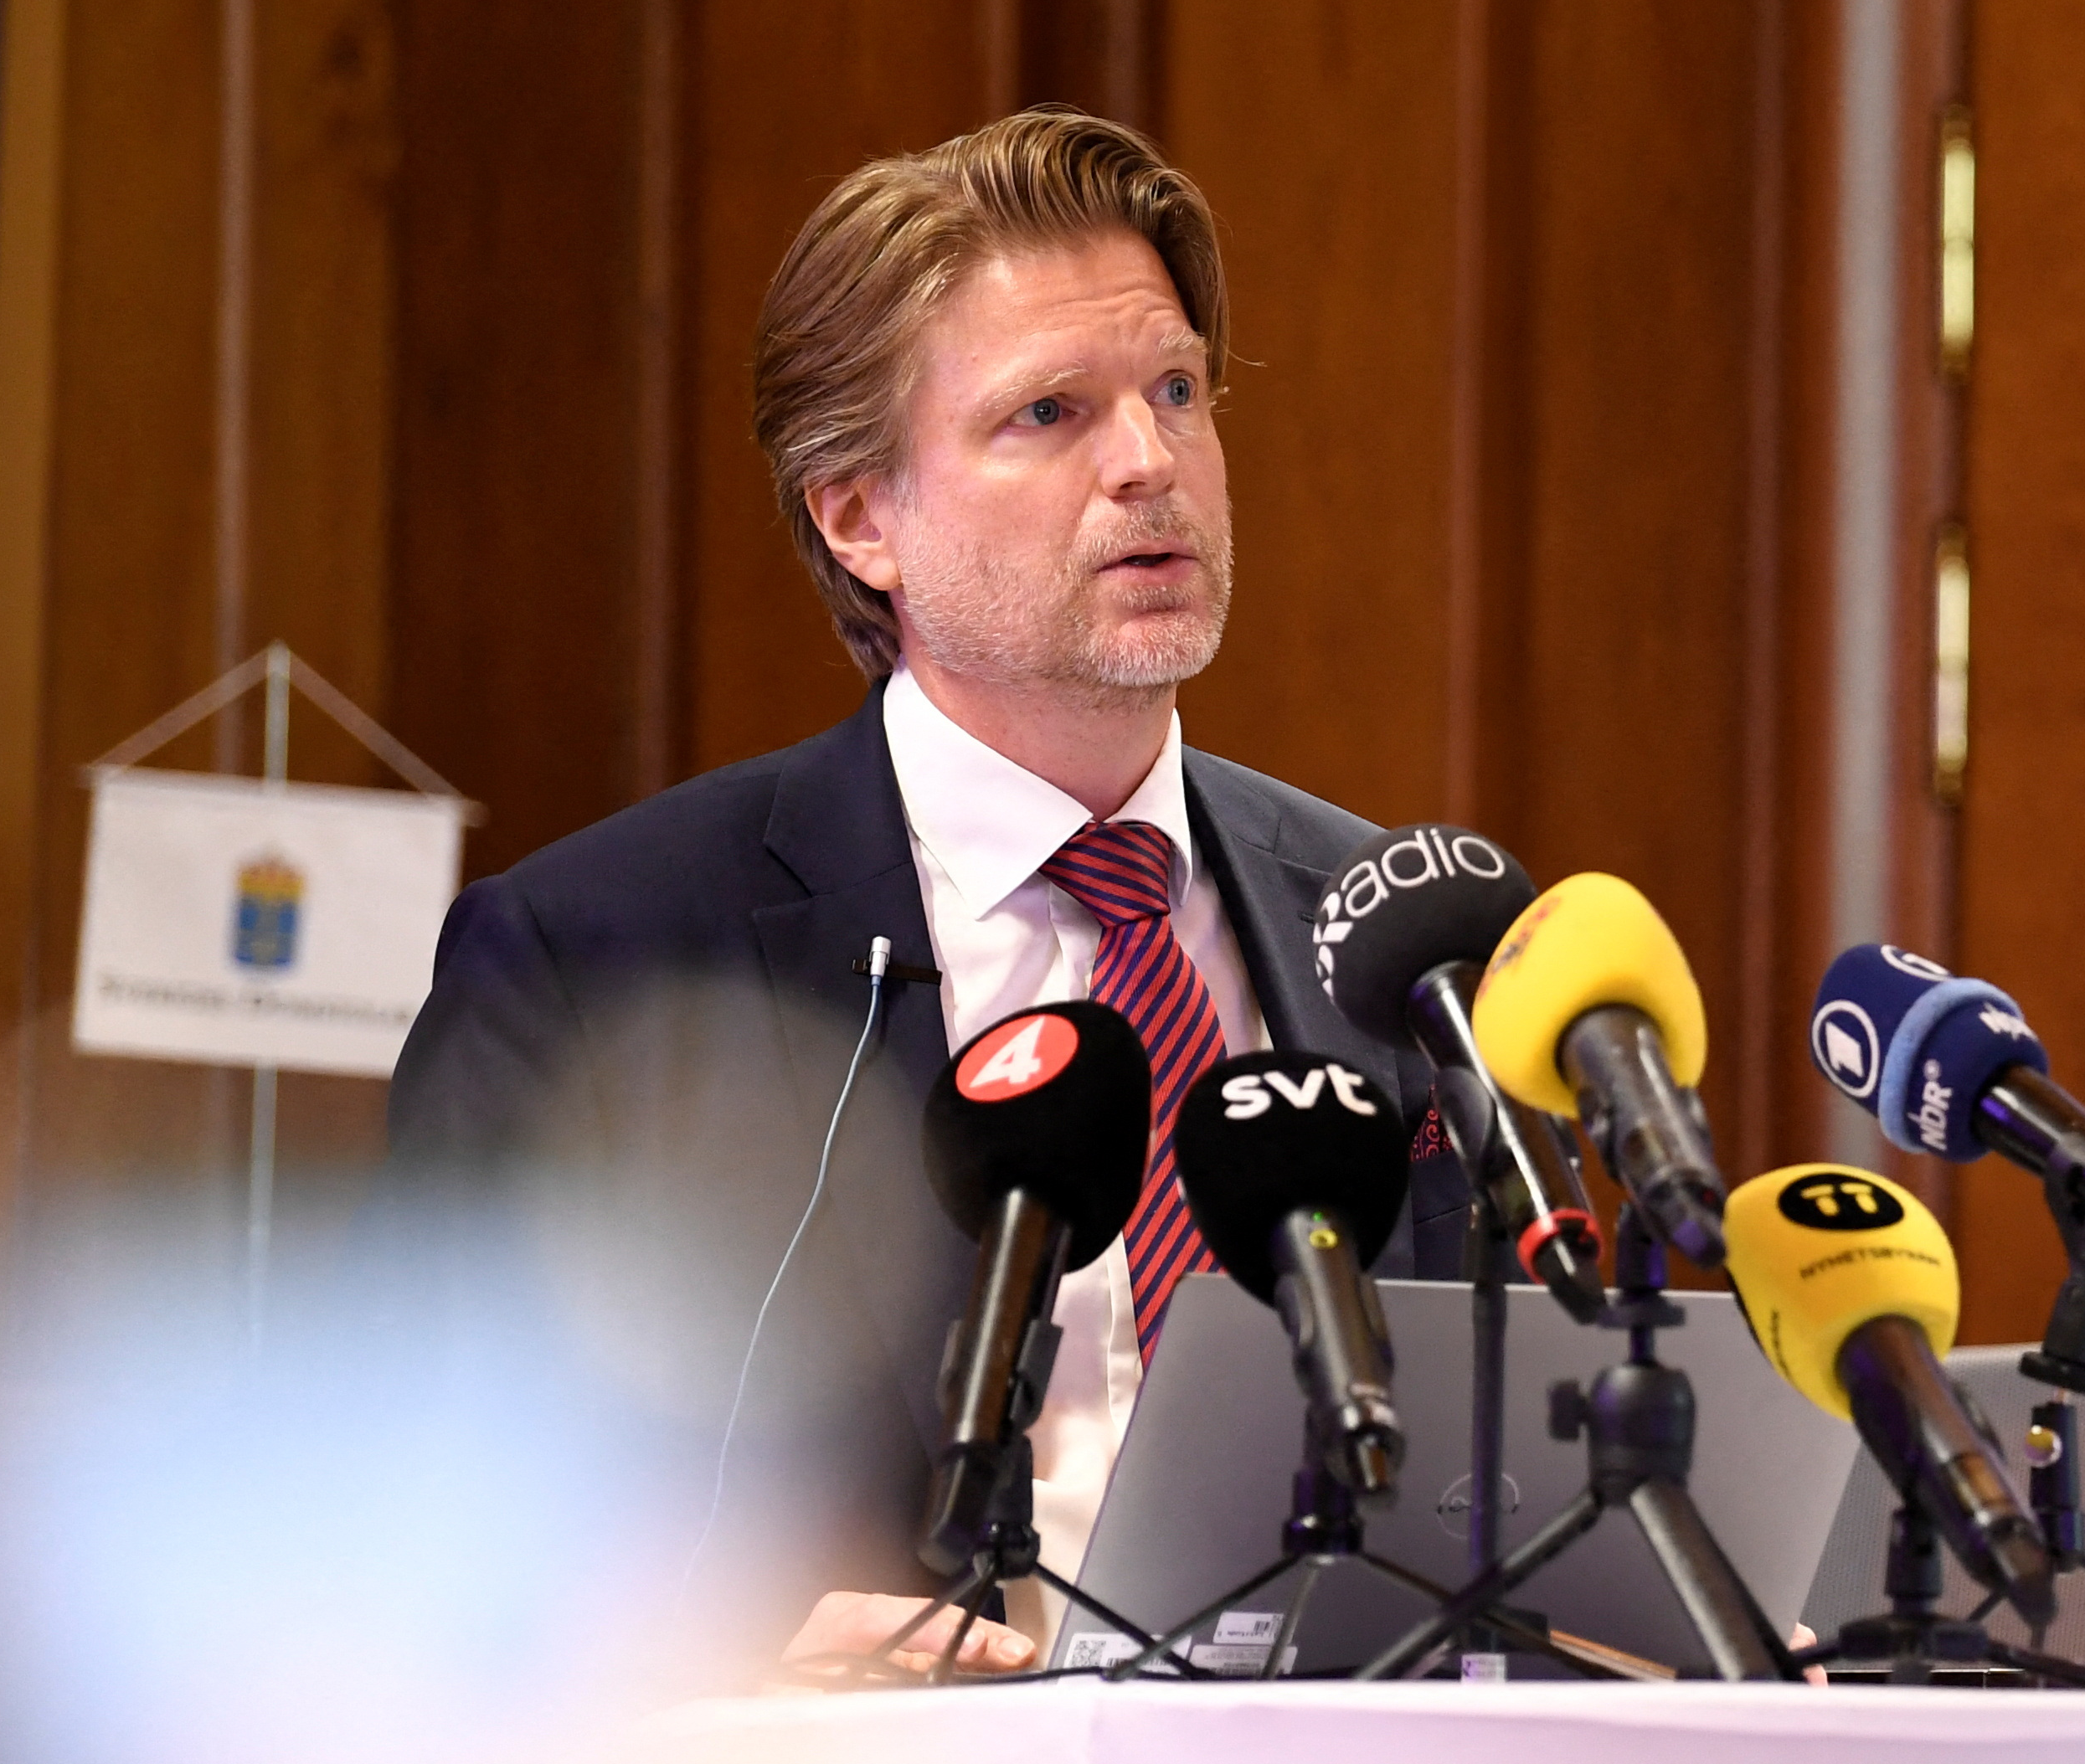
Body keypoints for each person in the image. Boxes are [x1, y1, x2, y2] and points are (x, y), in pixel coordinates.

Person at [388, 110, 1471, 1673]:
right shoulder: (598, 957)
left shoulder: (1387, 925)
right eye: (1049, 412)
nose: (1150, 461)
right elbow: (427, 1538)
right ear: (857, 515)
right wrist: (722, 1665)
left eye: (1178, 390)